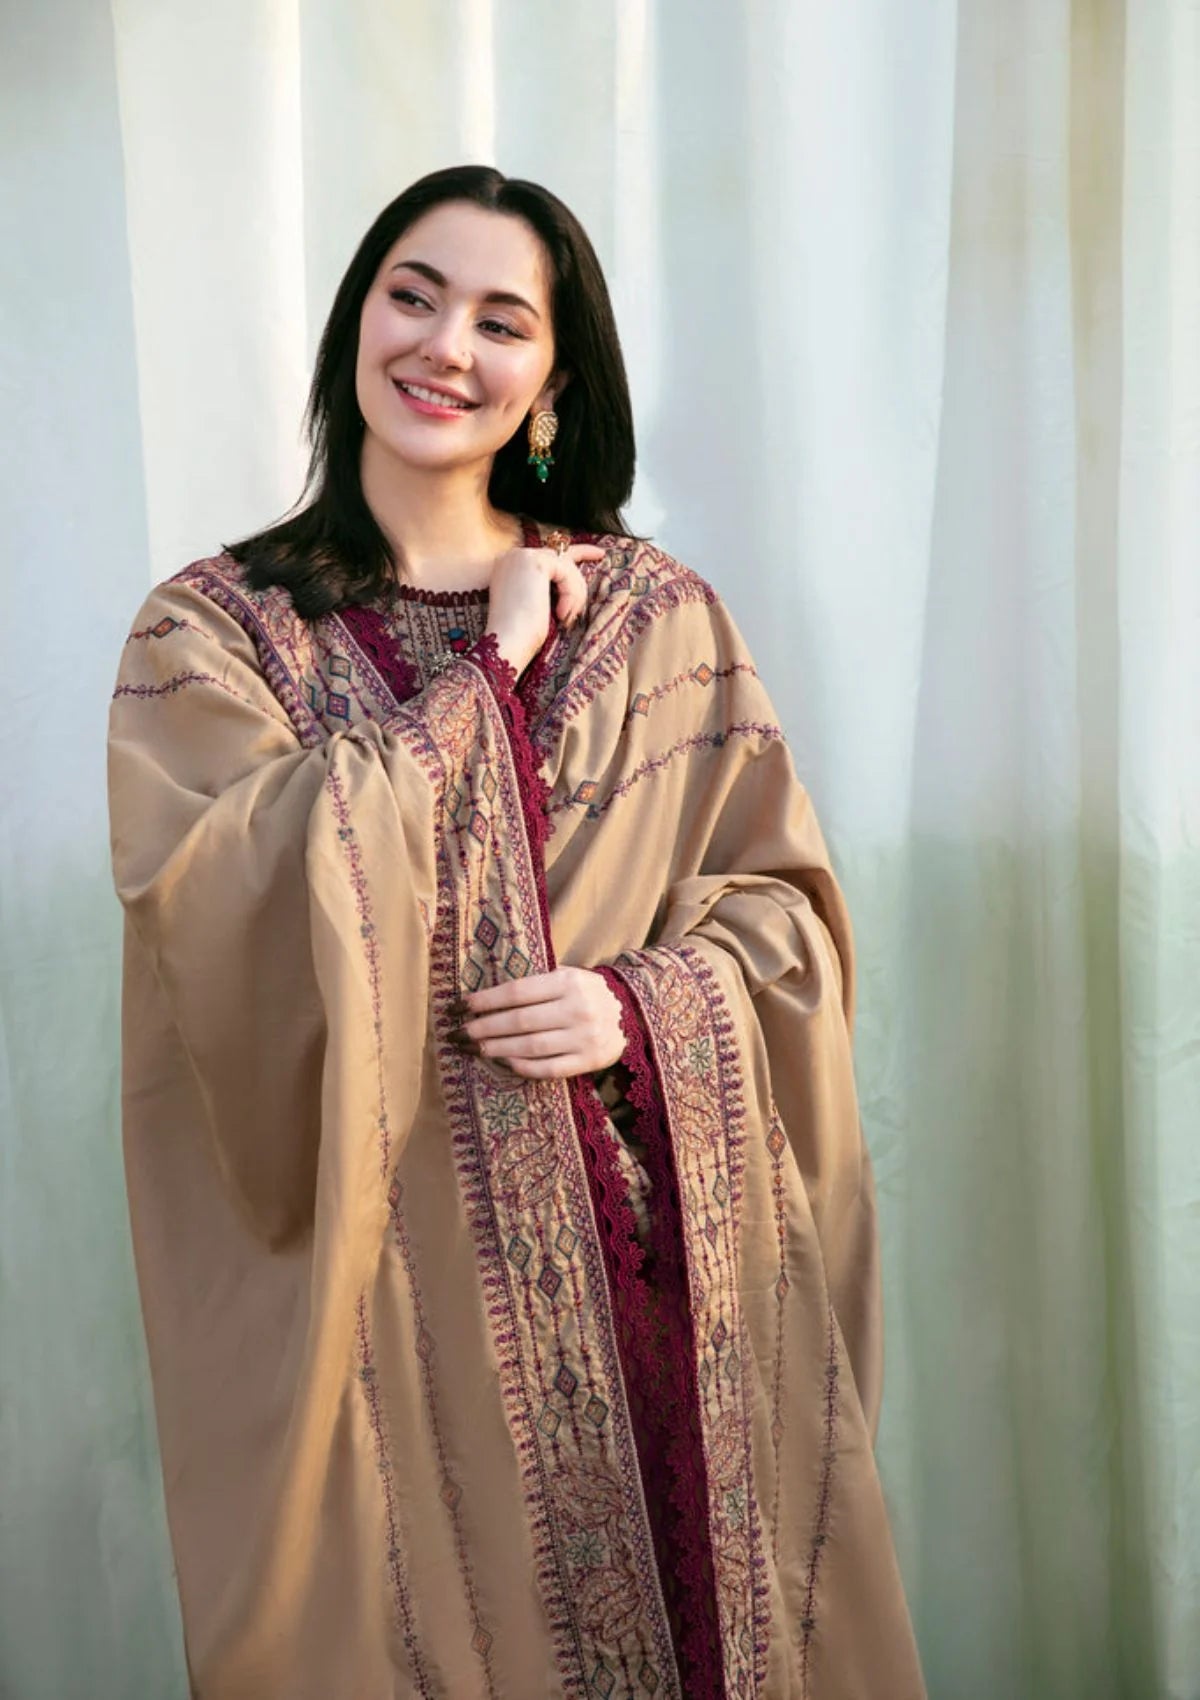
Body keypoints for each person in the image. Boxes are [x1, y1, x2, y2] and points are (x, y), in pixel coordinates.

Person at [108, 164, 925, 1700]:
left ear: (552, 380)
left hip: (663, 1281)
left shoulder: (657, 617)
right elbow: (215, 912)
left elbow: (786, 920)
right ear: (358, 319)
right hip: (394, 1306)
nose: (445, 347)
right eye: (412, 294)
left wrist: (647, 1002)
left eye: (502, 319)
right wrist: (480, 679)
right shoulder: (208, 632)